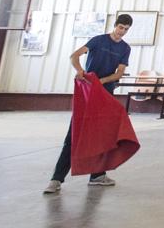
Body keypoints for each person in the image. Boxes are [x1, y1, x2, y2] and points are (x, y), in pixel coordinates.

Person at [44, 13, 133, 193]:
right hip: (87, 93)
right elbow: (74, 56)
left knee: (102, 135)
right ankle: (56, 179)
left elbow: (119, 73)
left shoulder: (125, 48)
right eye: (120, 28)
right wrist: (80, 70)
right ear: (115, 25)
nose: (122, 32)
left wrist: (101, 82)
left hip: (105, 94)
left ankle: (97, 175)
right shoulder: (98, 41)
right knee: (74, 134)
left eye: (126, 29)